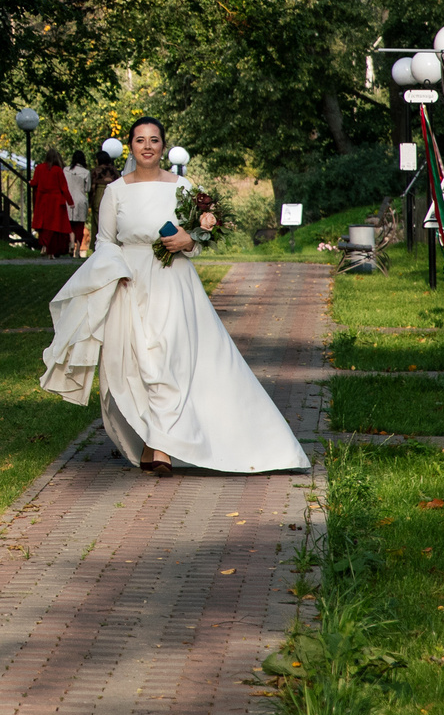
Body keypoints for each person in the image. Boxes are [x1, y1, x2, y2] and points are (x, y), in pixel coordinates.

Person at [39, 116, 308, 477]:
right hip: (129, 282)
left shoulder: (183, 187)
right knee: (136, 364)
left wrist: (190, 240)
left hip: (173, 280)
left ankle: (161, 447)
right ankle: (156, 443)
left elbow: (197, 235)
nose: (146, 146)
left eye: (153, 140)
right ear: (131, 147)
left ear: (162, 146)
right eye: (139, 140)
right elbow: (105, 242)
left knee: (169, 360)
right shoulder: (116, 191)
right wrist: (114, 272)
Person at [29, 147, 72, 257]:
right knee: (54, 226)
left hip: (42, 199)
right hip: (56, 201)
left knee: (43, 224)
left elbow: (35, 182)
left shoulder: (39, 168)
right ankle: (51, 249)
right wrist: (70, 201)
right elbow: (64, 187)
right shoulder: (58, 170)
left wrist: (30, 182)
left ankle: (43, 245)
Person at [64, 150, 92, 255]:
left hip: (68, 199)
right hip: (81, 199)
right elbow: (87, 189)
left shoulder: (66, 170)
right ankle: (79, 247)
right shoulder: (86, 172)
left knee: (69, 224)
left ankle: (71, 243)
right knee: (80, 224)